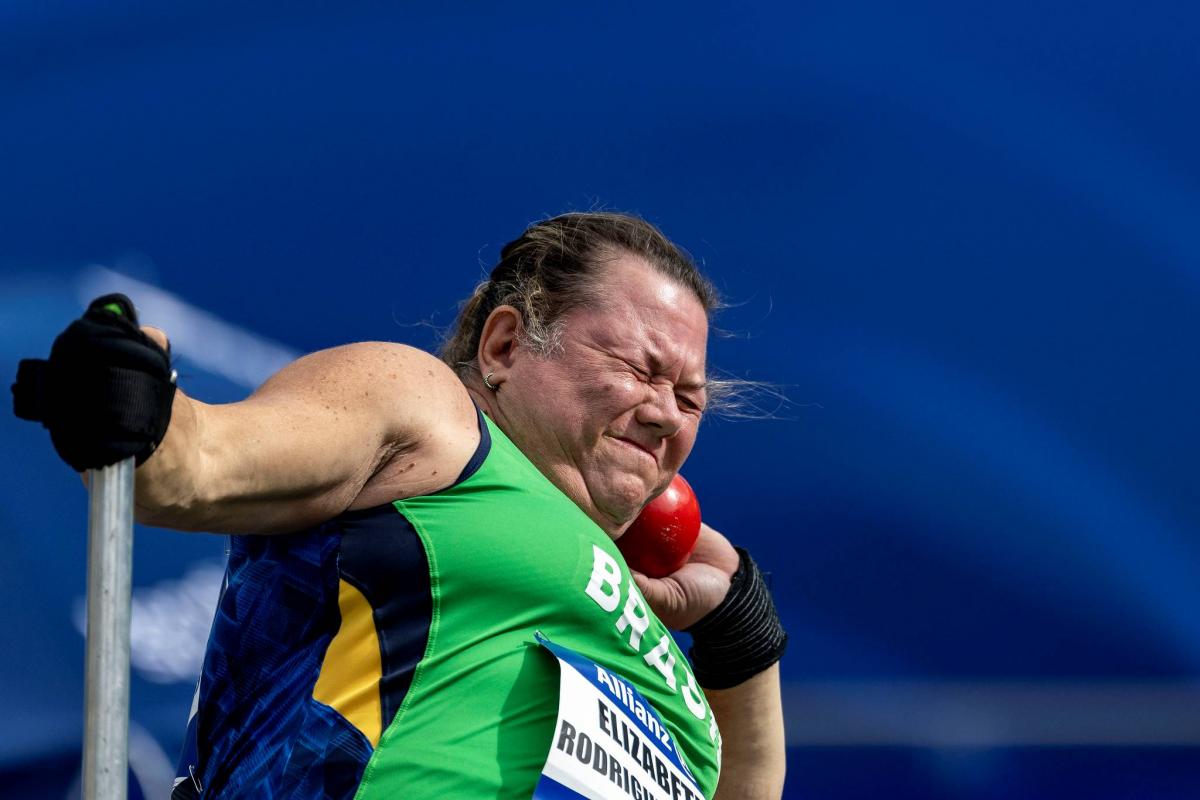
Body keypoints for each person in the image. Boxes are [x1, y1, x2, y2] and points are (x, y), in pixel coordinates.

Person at [14, 212, 787, 799]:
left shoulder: (649, 615)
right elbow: (200, 466)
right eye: (639, 368)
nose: (664, 413)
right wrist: (141, 406)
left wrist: (739, 636)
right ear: (506, 347)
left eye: (690, 397)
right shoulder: (436, 417)